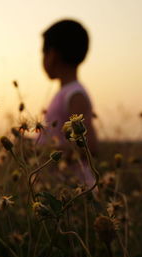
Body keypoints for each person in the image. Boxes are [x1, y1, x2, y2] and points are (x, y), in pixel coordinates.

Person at [40, 19, 98, 187]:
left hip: (78, 191)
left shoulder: (75, 94)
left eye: (43, 53)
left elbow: (91, 146)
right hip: (61, 187)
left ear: (52, 55)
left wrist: (44, 153)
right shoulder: (64, 93)